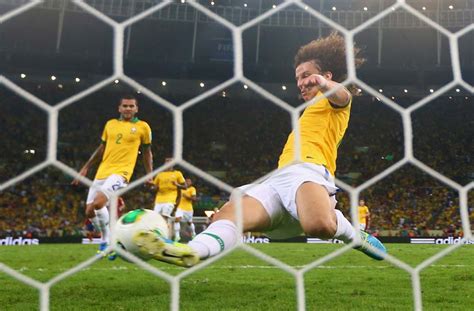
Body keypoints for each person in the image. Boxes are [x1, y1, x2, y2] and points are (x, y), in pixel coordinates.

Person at [134, 33, 387, 267]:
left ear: (328, 76)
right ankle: (191, 251)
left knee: (319, 225)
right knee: (227, 215)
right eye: (297, 77)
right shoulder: (308, 111)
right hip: (279, 180)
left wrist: (321, 83)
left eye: (306, 74)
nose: (300, 82)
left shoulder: (335, 104)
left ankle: (353, 234)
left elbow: (344, 96)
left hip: (308, 172)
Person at [72, 95, 153, 258]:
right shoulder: (110, 124)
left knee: (99, 203)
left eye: (131, 106)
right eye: (125, 106)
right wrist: (85, 168)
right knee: (89, 211)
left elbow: (147, 152)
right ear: (119, 108)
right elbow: (101, 148)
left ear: (136, 109)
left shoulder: (143, 127)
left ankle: (109, 241)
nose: (128, 109)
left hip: (121, 172)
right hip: (103, 171)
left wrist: (149, 175)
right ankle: (107, 240)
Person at [152, 158, 186, 235]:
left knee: (165, 217)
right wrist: (151, 186)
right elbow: (154, 188)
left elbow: (185, 186)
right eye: (166, 163)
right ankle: (158, 234)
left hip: (170, 199)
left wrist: (177, 185)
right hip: (159, 199)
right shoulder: (160, 174)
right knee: (155, 217)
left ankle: (163, 235)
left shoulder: (177, 174)